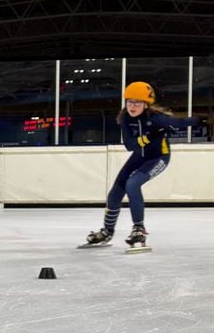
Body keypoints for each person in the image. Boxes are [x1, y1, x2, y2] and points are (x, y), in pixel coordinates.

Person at [82, 81, 200, 250]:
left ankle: (139, 228)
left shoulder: (157, 118)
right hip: (139, 156)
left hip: (158, 157)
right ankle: (107, 231)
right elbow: (130, 145)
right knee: (115, 192)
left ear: (146, 104)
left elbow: (181, 122)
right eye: (129, 102)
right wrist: (150, 136)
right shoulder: (125, 118)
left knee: (132, 184)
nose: (132, 106)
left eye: (137, 102)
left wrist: (200, 120)